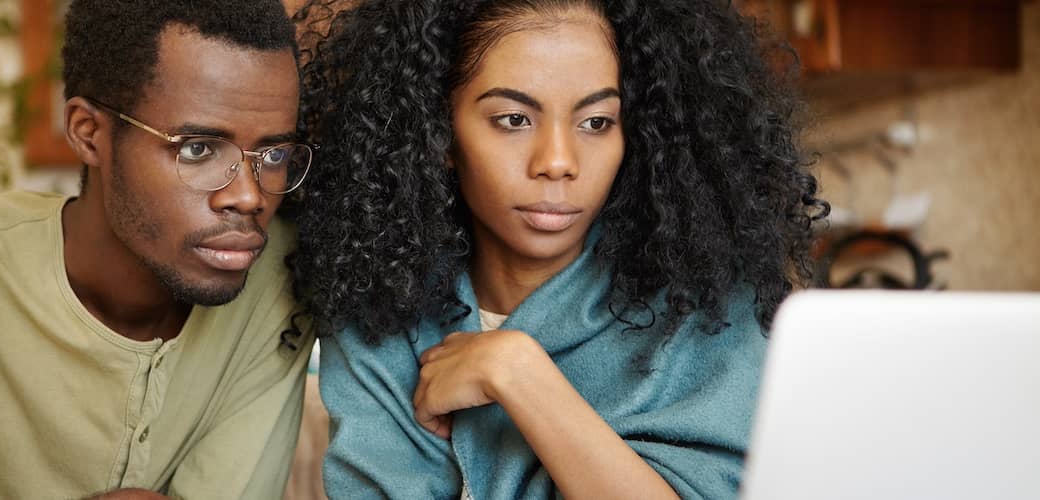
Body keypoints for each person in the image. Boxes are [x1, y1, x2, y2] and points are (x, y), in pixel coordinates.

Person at [291, 0, 828, 498]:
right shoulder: (379, 300)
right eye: (514, 120)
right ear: (439, 136)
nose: (558, 160)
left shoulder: (706, 308)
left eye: (596, 122)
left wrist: (520, 373)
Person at [0, 1, 316, 498]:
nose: (250, 197)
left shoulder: (283, 279)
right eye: (197, 148)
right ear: (89, 133)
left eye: (275, 154)